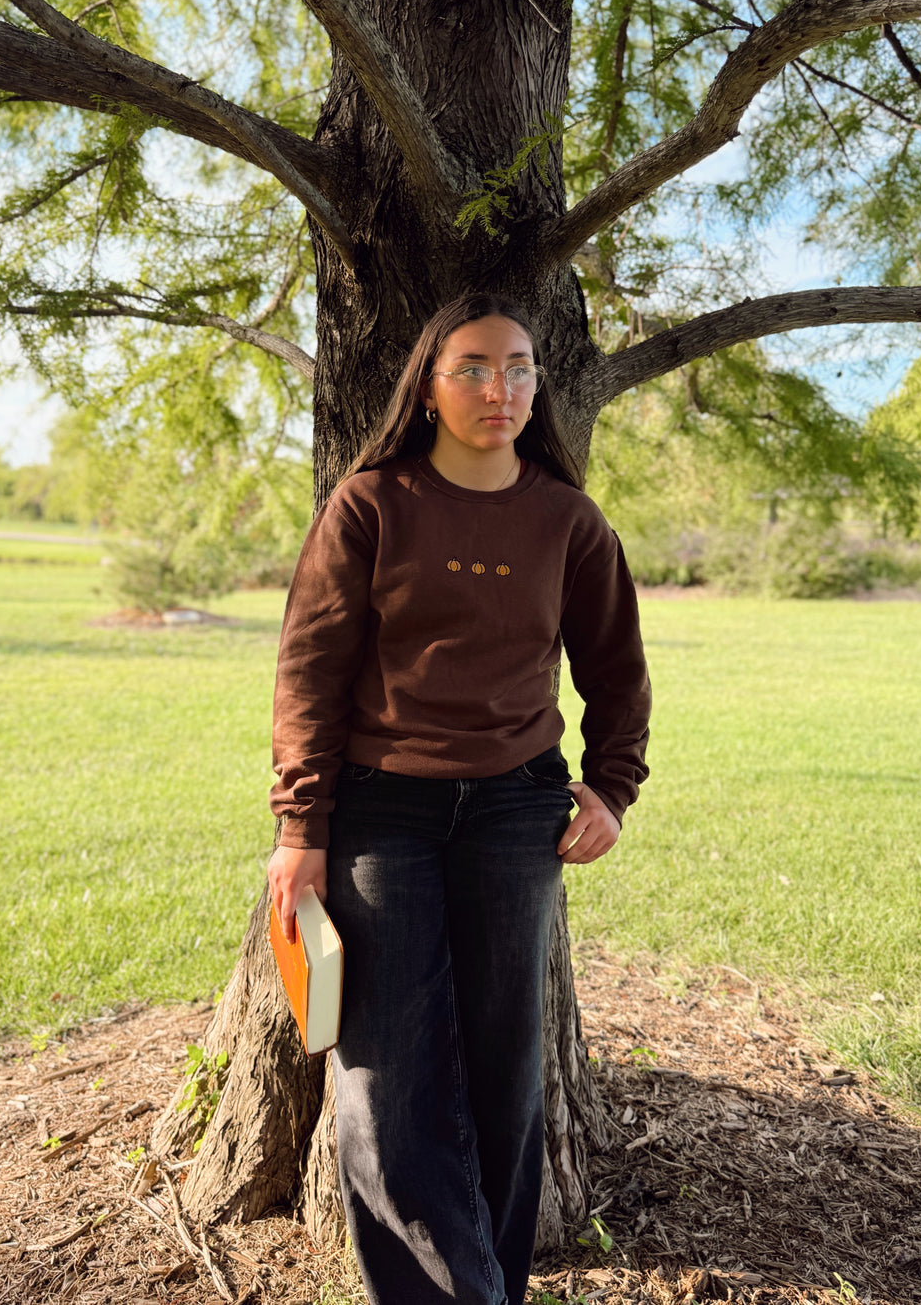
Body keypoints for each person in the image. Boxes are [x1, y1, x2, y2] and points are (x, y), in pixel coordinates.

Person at [268, 293, 650, 1305]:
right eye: (474, 368)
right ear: (428, 388)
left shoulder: (566, 519)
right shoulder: (371, 504)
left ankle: (492, 1287)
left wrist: (611, 786)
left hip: (515, 816)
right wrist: (300, 826)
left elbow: (616, 670)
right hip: (379, 815)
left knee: (502, 1079)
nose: (502, 388)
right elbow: (310, 671)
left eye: (520, 368)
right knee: (384, 1091)